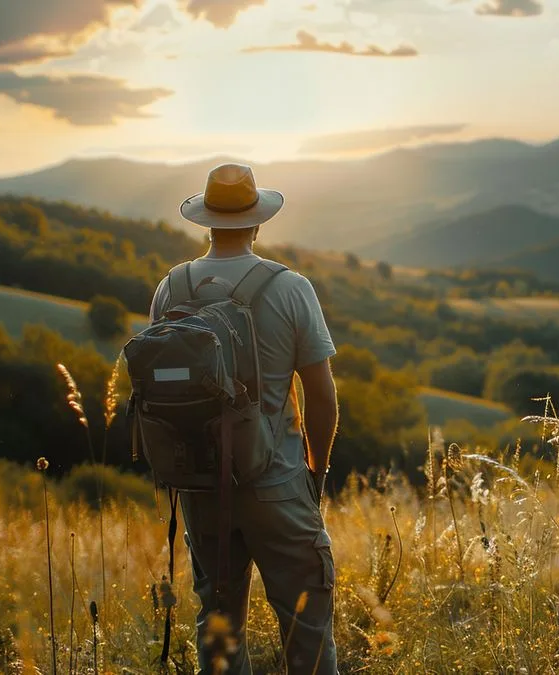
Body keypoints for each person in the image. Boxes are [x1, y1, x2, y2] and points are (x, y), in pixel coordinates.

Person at [148, 163, 340, 674]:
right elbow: (321, 395)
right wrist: (316, 472)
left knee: (219, 631)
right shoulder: (290, 287)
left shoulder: (171, 289)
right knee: (308, 630)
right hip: (275, 482)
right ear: (258, 222)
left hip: (201, 488)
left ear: (206, 223)